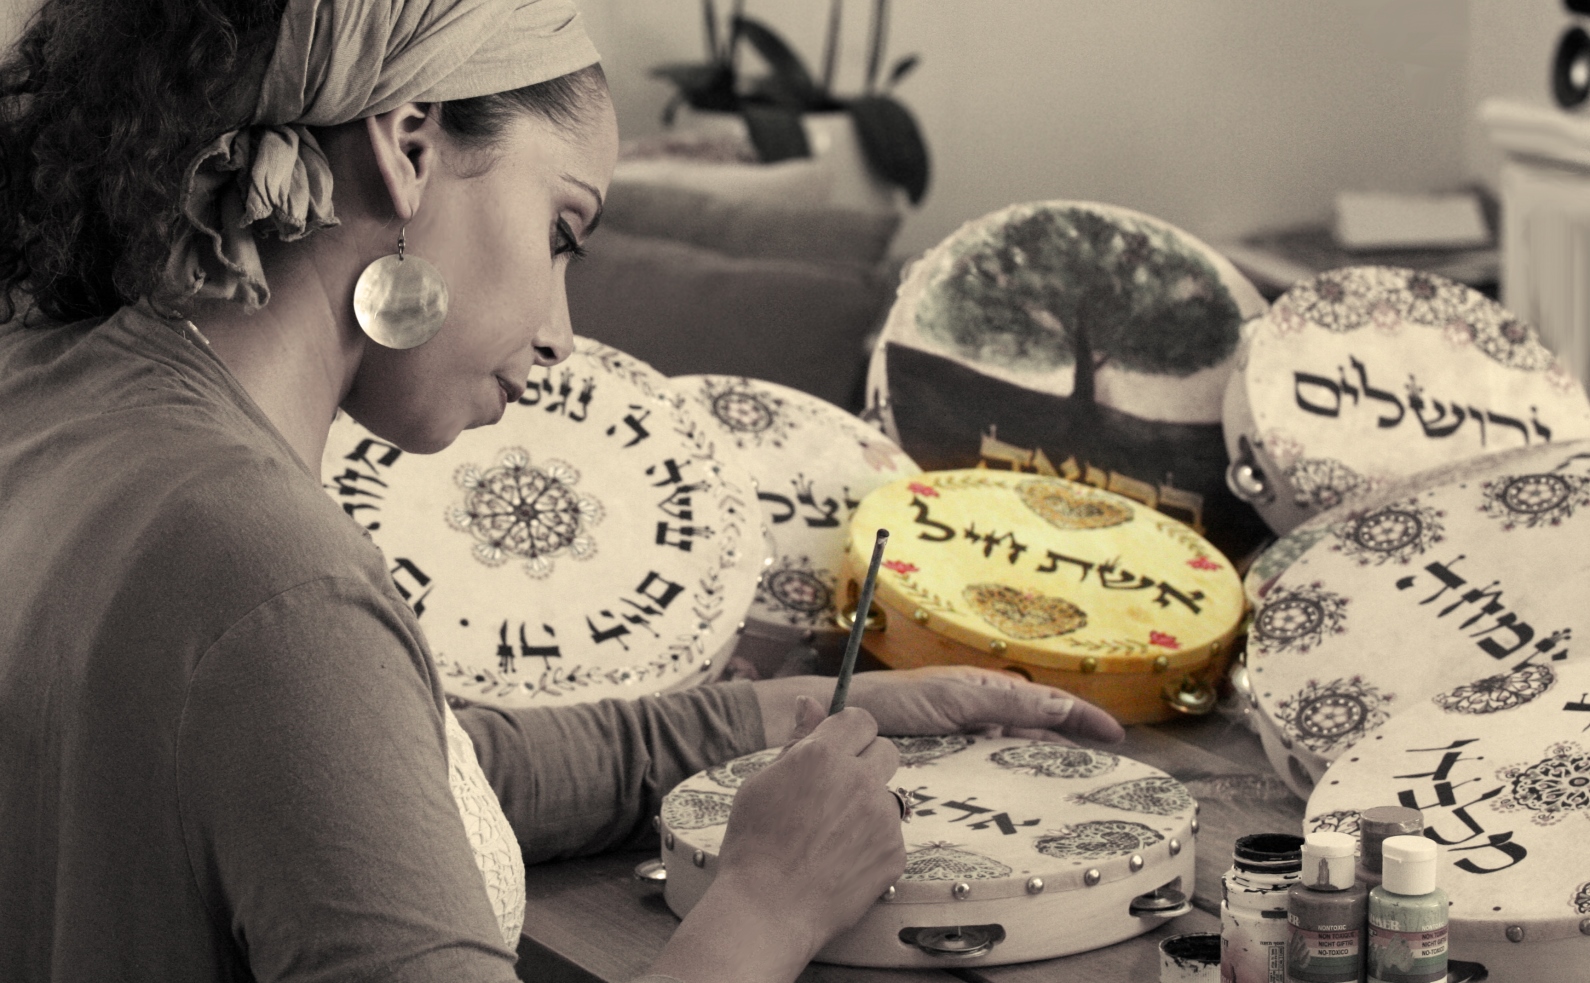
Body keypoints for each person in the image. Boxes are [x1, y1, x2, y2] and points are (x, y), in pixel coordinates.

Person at [0, 2, 1126, 981]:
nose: (562, 337)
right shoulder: (273, 572)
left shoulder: (49, 391)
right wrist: (767, 902)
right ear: (407, 144)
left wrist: (761, 717)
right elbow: (312, 699)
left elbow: (360, 786)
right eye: (561, 232)